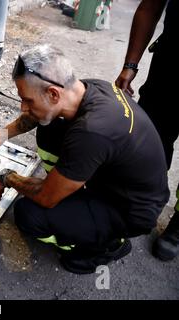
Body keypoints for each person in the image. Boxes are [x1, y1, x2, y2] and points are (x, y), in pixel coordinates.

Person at [0, 44, 170, 274]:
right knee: (49, 123)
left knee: (28, 214)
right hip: (120, 178)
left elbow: (45, 198)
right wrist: (0, 136)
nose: (23, 107)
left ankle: (107, 246)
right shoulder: (88, 88)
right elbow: (37, 115)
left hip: (130, 210)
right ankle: (67, 183)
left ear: (53, 93)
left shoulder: (91, 132)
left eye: (27, 100)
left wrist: (9, 178)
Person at [115, 0, 179, 262]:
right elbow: (150, 7)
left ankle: (177, 227)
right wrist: (130, 65)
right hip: (172, 67)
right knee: (151, 139)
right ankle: (142, 201)